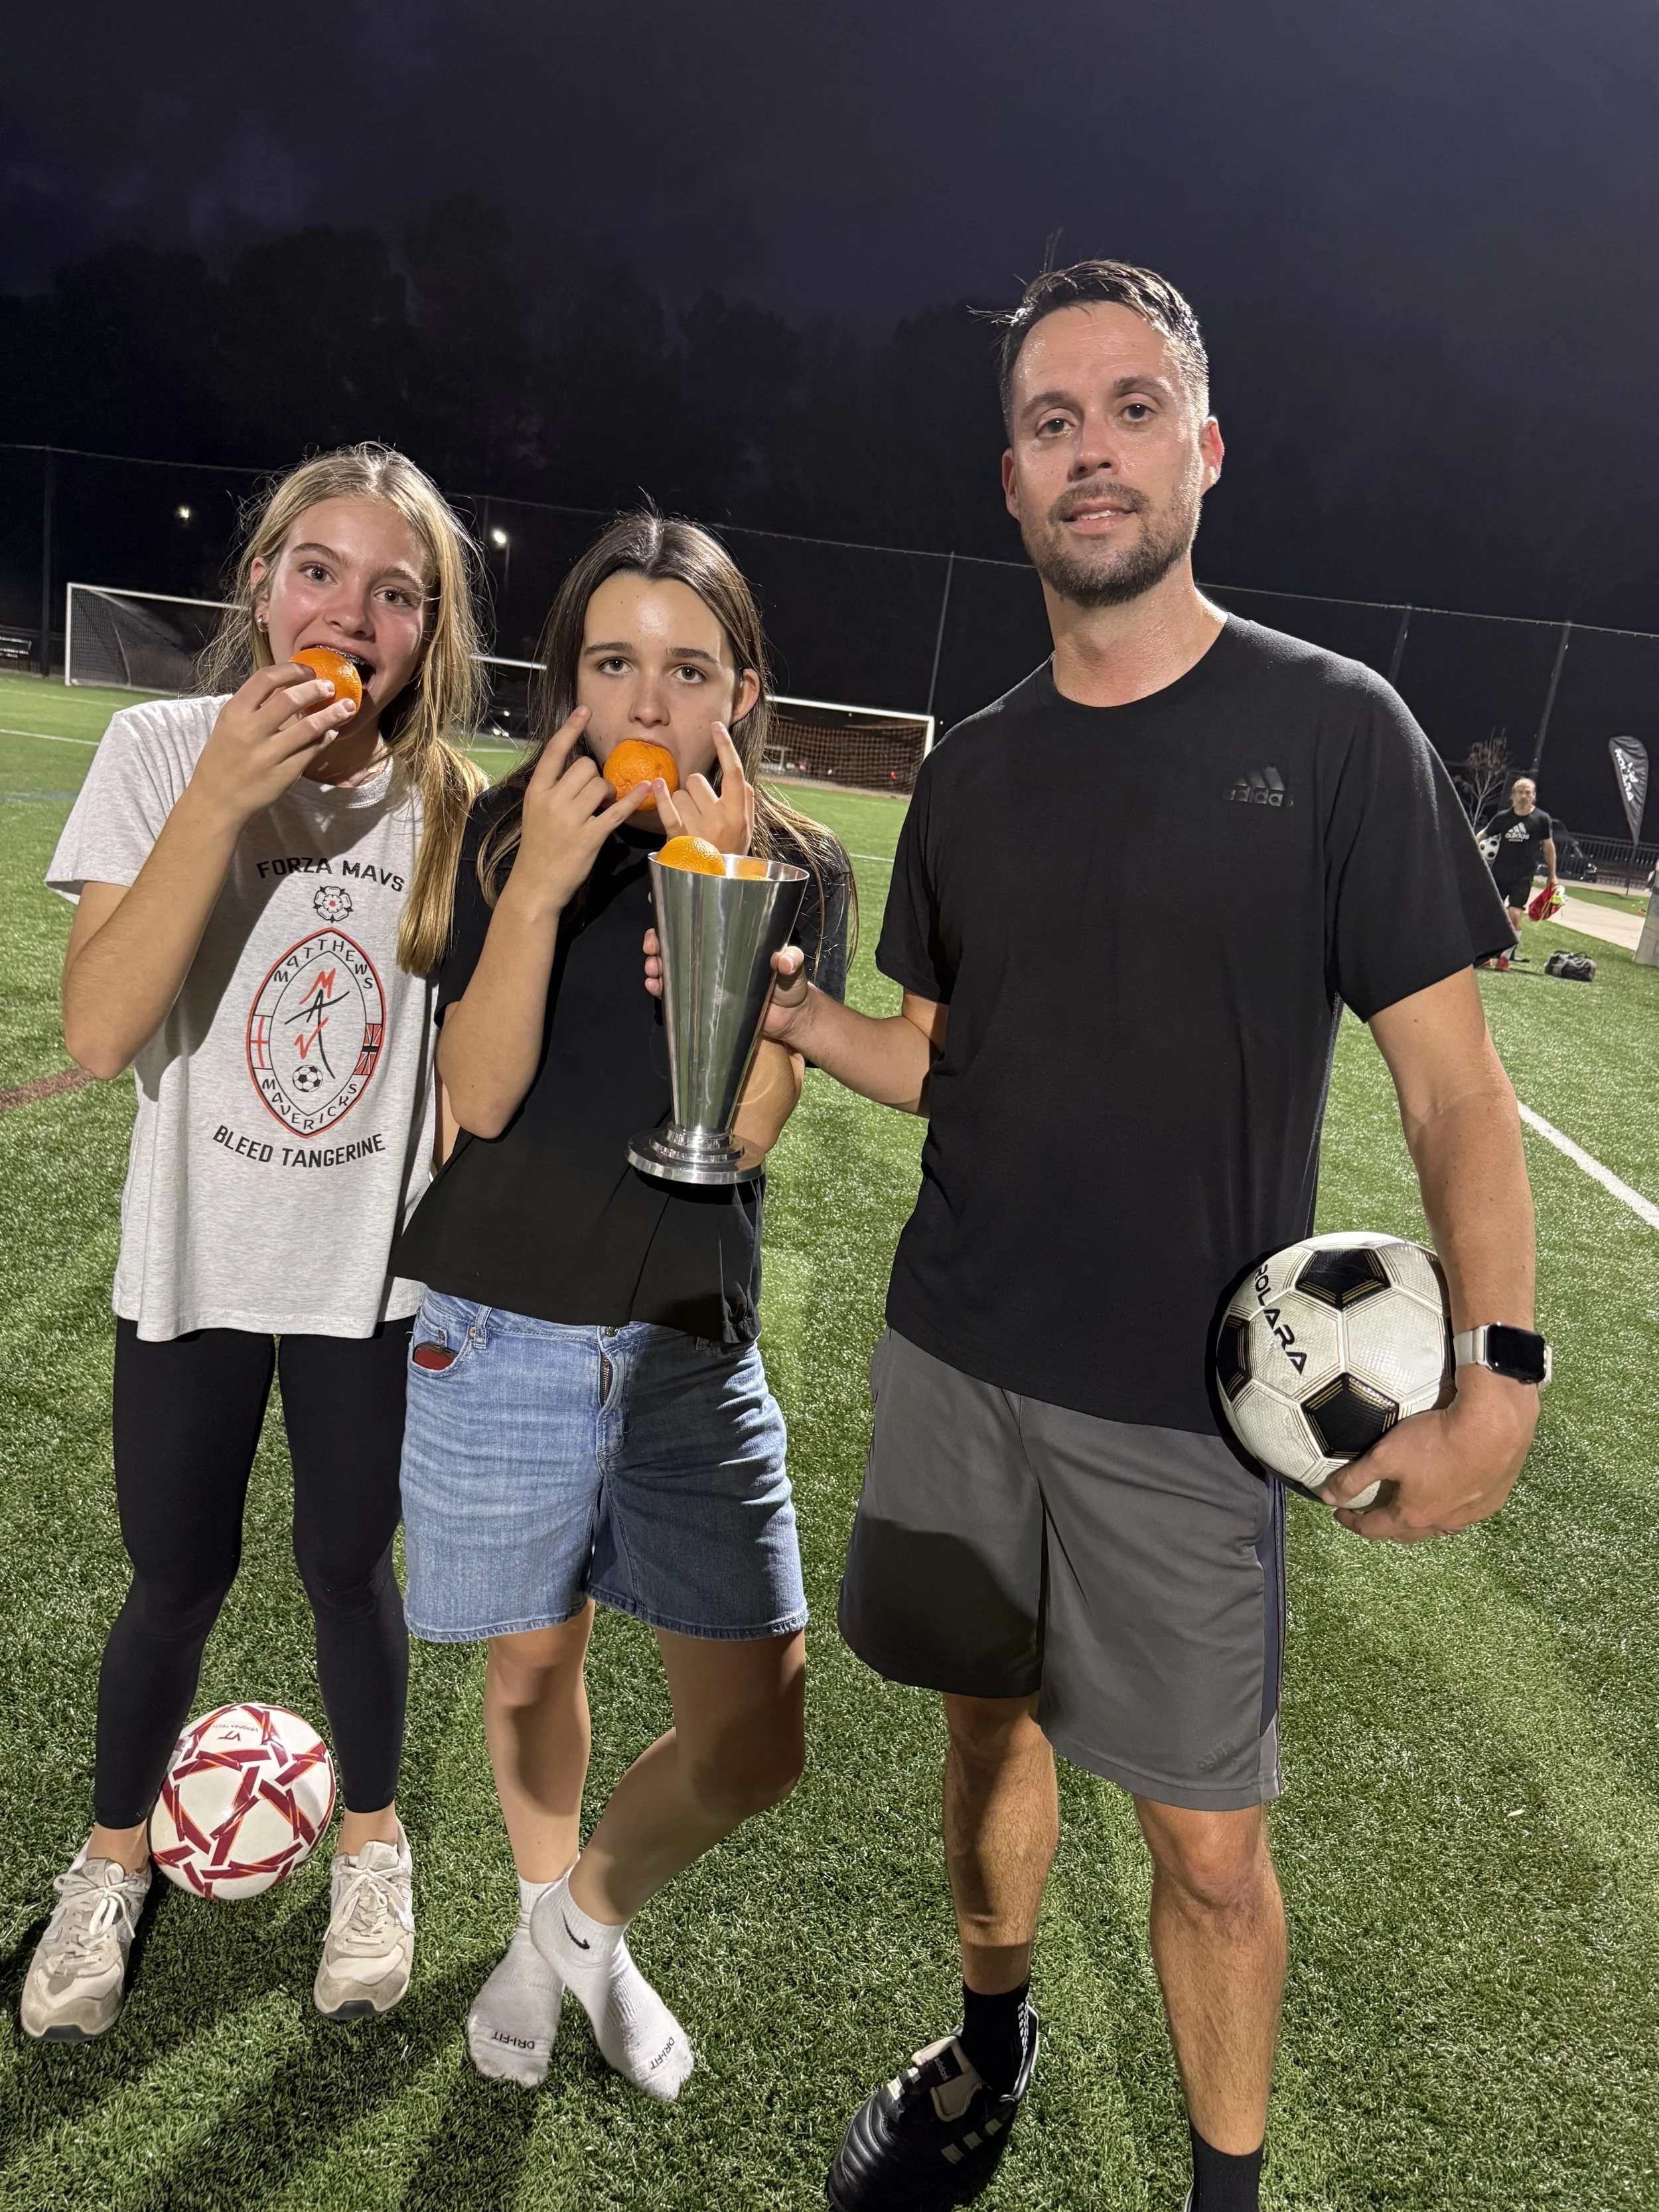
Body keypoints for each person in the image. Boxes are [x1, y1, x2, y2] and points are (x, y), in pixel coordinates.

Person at [753, 262, 1547, 2212]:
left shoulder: (1334, 729)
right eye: (1046, 419)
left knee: (1204, 1852)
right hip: (952, 1359)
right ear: (1009, 483)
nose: (1085, 447)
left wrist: (1494, 1374)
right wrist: (784, 1021)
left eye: (1125, 407)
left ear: (1196, 450)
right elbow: (940, 1058)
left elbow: (1450, 1091)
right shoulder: (973, 767)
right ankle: (990, 2047)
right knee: (977, 1742)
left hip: (1186, 1417)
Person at [21, 444, 488, 2043]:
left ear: (430, 631)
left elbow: (470, 1070)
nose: (350, 613)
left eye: (396, 591)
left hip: (367, 1277)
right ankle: (111, 1855)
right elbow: (97, 1031)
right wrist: (225, 797)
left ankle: (374, 1844)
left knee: (350, 1565)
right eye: (319, 571)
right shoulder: (161, 748)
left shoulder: (447, 805)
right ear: (260, 582)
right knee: (175, 1575)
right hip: (202, 1256)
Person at [393, 512, 853, 2099]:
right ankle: (547, 1909)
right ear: (566, 682)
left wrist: (719, 921)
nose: (649, 705)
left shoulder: (796, 865)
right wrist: (539, 896)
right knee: (531, 1670)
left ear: (743, 691)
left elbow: (745, 1134)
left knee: (757, 1738)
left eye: (688, 669)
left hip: (684, 1340)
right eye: (613, 664)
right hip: (503, 1323)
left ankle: (574, 1932)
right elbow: (480, 1098)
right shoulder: (506, 831)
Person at [1481, 774, 1557, 956]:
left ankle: (1506, 956)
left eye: (1528, 793)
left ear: (1534, 795)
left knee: (1514, 914)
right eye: (1520, 792)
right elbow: (1483, 835)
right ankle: (1488, 953)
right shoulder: (1503, 818)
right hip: (1499, 874)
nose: (1524, 796)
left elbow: (1548, 847)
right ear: (1513, 795)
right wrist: (1468, 844)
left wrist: (1552, 875)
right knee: (1493, 915)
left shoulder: (1541, 819)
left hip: (1523, 877)